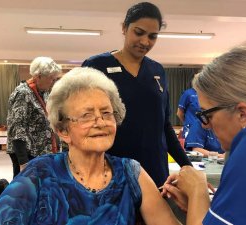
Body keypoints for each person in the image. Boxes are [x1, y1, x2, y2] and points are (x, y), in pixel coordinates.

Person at [0, 67, 182, 224]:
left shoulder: (131, 172)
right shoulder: (41, 173)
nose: (100, 122)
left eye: (107, 113)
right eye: (86, 115)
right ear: (63, 131)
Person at [162, 46, 246, 224]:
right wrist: (200, 207)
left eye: (207, 115)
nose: (204, 125)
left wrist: (197, 191)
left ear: (242, 114)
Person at [82, 2, 191, 187]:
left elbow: (164, 125)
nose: (145, 42)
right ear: (124, 28)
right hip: (111, 170)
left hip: (154, 171)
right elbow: (83, 121)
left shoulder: (157, 70)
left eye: (152, 36)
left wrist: (187, 166)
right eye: (139, 32)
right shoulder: (96, 66)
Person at [6, 56, 62, 178]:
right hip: (28, 154)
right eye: (51, 79)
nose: (53, 82)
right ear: (38, 76)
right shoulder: (22, 93)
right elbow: (17, 127)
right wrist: (23, 162)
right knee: (26, 190)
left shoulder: (44, 92)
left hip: (42, 151)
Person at [177, 80, 224, 158]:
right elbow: (196, 150)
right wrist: (219, 156)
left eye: (208, 115)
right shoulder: (199, 124)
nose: (204, 125)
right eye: (201, 112)